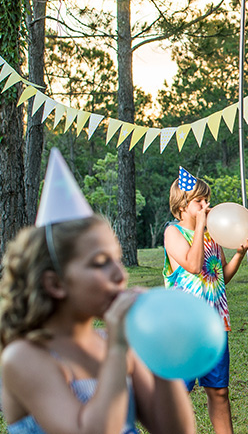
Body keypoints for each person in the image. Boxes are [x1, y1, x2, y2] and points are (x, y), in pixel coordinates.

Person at [1, 148, 196, 434]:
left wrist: (158, 355)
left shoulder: (112, 342)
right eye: (101, 263)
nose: (120, 274)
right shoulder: (24, 357)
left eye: (117, 259)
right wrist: (118, 349)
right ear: (55, 284)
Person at [162, 166, 248, 434]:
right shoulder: (174, 233)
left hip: (216, 325)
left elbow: (220, 276)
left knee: (219, 392)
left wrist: (238, 253)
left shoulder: (211, 235)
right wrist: (202, 224)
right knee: (179, 392)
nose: (207, 205)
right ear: (182, 205)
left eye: (207, 200)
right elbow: (192, 265)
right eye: (199, 201)